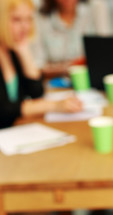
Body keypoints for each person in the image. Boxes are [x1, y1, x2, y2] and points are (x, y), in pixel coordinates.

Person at [0, 0, 83, 129]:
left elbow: (36, 92)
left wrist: (25, 52)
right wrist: (54, 105)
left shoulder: (12, 50)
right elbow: (3, 110)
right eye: (16, 20)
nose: (25, 27)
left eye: (28, 19)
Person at [34, 0, 97, 78]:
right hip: (54, 83)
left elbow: (101, 54)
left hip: (87, 80)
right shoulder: (41, 18)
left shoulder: (92, 11)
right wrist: (70, 67)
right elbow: (37, 65)